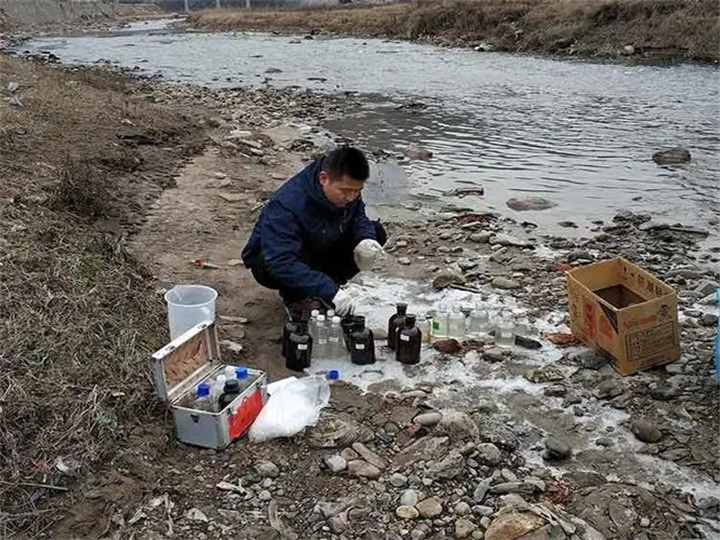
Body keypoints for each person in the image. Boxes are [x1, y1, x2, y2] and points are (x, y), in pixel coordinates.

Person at [241, 146, 386, 316]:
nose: (351, 197)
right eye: (346, 191)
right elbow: (280, 261)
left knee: (376, 233)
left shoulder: (347, 188)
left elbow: (358, 216)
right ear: (324, 179)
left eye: (357, 191)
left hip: (320, 242)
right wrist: (329, 290)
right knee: (272, 262)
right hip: (275, 260)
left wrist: (365, 239)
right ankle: (298, 296)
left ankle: (328, 286)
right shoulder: (287, 204)